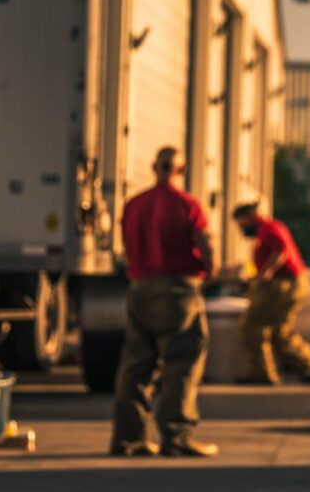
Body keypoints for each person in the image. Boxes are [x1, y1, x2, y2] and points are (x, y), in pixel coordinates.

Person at [110, 147, 219, 457]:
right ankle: (176, 435)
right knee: (182, 362)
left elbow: (127, 246)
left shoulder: (134, 205)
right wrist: (211, 270)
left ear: (153, 166)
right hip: (178, 289)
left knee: (135, 365)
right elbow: (204, 241)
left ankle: (130, 439)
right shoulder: (186, 204)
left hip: (140, 287)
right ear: (181, 171)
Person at [232, 200, 310, 385]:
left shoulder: (269, 228)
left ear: (250, 217)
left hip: (284, 286)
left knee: (253, 325)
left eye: (241, 222)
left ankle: (265, 374)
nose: (241, 228)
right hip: (285, 284)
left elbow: (280, 251)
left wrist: (266, 274)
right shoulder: (264, 232)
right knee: (279, 331)